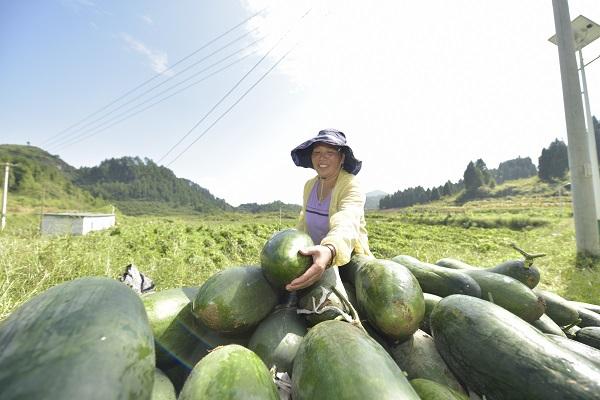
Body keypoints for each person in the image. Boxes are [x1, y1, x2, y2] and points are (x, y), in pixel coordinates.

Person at [286, 129, 372, 291]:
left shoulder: (350, 184)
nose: (321, 157)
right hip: (316, 258)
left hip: (348, 261)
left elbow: (348, 219)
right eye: (316, 152)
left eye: (330, 152)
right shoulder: (309, 185)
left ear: (342, 158)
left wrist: (330, 248)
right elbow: (304, 222)